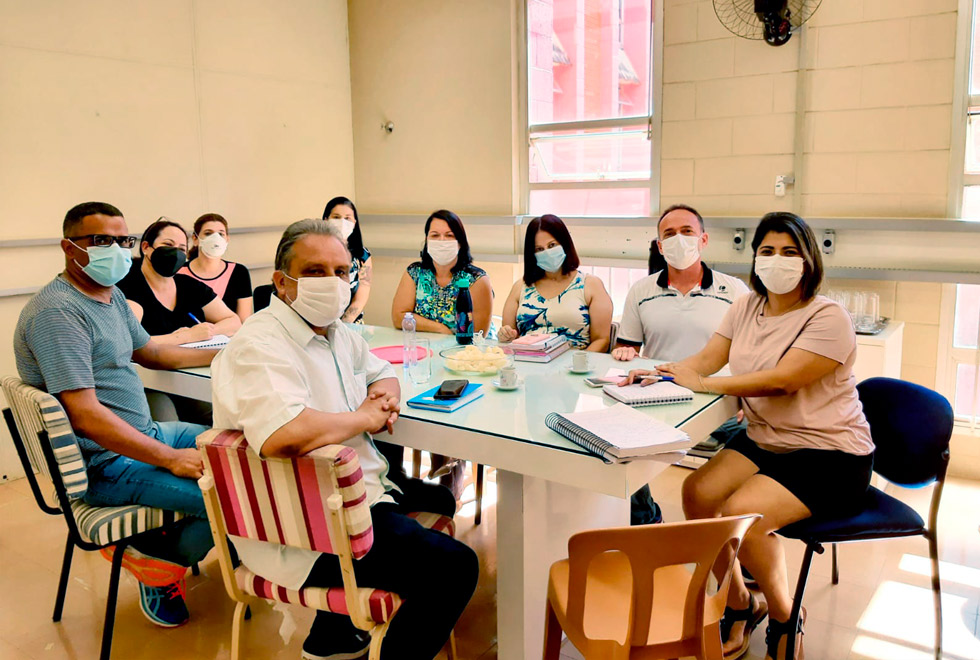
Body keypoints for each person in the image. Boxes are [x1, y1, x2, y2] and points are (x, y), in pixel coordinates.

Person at [211, 219, 478, 660]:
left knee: (441, 502)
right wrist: (363, 416)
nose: (332, 283)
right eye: (315, 271)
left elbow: (382, 371)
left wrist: (384, 397)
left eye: (340, 271)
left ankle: (333, 636)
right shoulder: (259, 345)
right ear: (281, 281)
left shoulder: (336, 332)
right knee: (455, 568)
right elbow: (284, 434)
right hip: (304, 526)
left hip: (347, 492)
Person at [623, 212, 874, 660]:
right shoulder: (745, 307)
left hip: (829, 452)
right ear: (755, 259)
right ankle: (740, 604)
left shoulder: (828, 316)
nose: (777, 261)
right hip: (765, 437)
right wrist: (658, 375)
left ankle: (784, 615)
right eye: (767, 251)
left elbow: (782, 380)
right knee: (697, 493)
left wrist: (704, 384)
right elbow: (706, 360)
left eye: (789, 252)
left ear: (809, 259)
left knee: (745, 516)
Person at [14, 201, 220, 628]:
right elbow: (86, 417)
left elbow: (153, 353)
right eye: (100, 241)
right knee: (231, 497)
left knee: (240, 451)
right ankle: (154, 559)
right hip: (106, 464)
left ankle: (167, 543)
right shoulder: (58, 313)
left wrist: (232, 355)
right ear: (69, 248)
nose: (116, 249)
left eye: (122, 240)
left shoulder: (111, 296)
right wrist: (171, 459)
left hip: (144, 433)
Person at [612, 204, 750, 526]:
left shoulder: (734, 291)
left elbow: (751, 353)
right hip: (658, 395)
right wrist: (625, 355)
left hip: (722, 401)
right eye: (669, 234)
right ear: (660, 247)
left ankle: (737, 532)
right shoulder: (641, 291)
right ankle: (645, 520)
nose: (679, 240)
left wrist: (746, 396)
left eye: (687, 232)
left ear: (703, 240)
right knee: (616, 443)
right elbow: (628, 347)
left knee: (753, 442)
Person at [498, 214, 613, 352]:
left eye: (552, 245)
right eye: (539, 249)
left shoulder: (590, 285)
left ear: (565, 244)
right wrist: (505, 335)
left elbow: (602, 340)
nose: (547, 253)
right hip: (528, 365)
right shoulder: (520, 287)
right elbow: (509, 336)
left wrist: (576, 365)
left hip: (575, 367)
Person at [118, 217, 241, 345]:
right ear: (146, 247)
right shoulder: (128, 285)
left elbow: (233, 321)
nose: (175, 253)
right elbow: (128, 342)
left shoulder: (188, 285)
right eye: (168, 244)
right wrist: (187, 337)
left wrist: (207, 331)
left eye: (182, 249)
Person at [390, 209, 494, 337]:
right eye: (435, 235)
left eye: (449, 235)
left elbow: (478, 334)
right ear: (427, 241)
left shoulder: (477, 279)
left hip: (467, 352)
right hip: (425, 347)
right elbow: (399, 318)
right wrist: (440, 329)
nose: (442, 241)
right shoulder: (414, 273)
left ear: (460, 242)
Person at [180, 213, 253, 322]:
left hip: (231, 337)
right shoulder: (179, 273)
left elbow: (244, 322)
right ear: (195, 239)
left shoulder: (239, 272)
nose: (215, 238)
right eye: (208, 233)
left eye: (221, 234)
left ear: (227, 239)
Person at [323, 196, 373, 323]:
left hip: (351, 323)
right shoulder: (316, 253)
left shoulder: (363, 255)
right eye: (336, 217)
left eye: (347, 218)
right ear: (325, 220)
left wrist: (346, 322)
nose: (342, 222)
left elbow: (363, 291)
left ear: (354, 222)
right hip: (320, 321)